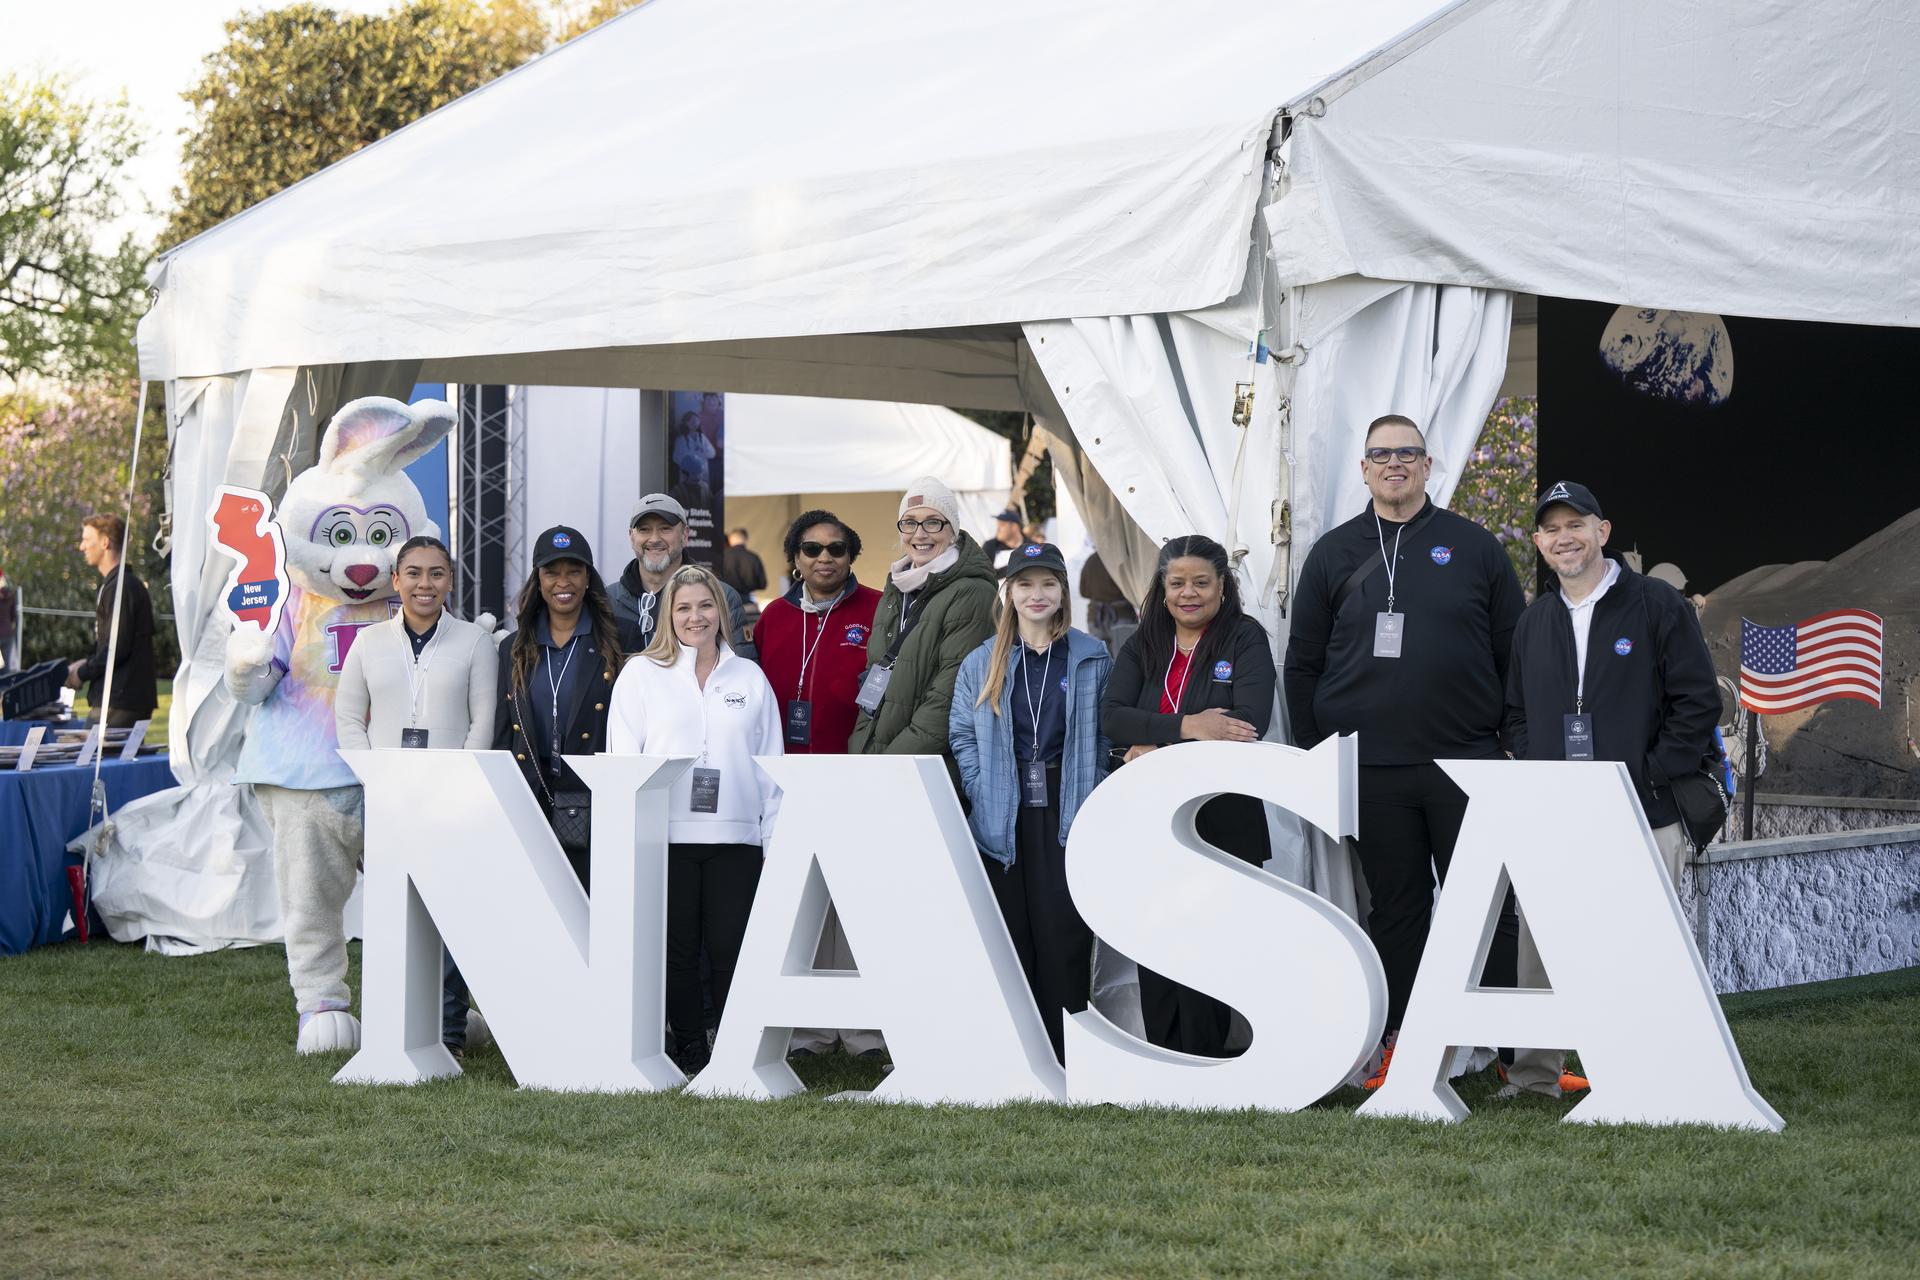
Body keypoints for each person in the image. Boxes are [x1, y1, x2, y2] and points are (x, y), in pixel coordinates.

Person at [1281, 414, 1525, 1089]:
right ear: (1363, 469)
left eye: (1407, 454)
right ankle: (1403, 1047)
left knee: (1487, 906)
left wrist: (1509, 741)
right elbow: (1301, 664)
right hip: (1372, 767)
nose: (1394, 464)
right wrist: (1316, 752)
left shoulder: (1474, 548)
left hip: (1464, 760)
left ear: (1427, 465)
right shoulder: (1333, 553)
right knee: (1398, 908)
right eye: (1380, 454)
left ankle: (1512, 1058)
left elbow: (1515, 651)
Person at [1499, 481, 1722, 1098]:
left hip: (1644, 808)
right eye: (1552, 529)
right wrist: (1545, 768)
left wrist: (1650, 770)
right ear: (1540, 543)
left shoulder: (1656, 604)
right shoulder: (1534, 620)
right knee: (1541, 948)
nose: (1564, 537)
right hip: (1558, 813)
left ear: (1603, 531)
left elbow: (1697, 701)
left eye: (1578, 524)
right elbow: (1514, 712)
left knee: (1644, 946)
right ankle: (1535, 1076)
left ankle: (1646, 1069)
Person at [1100, 534, 1274, 1058]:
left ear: (1223, 585)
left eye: (1201, 582)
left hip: (1223, 817)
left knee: (1212, 936)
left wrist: (1154, 739)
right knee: (1158, 933)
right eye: (1177, 583)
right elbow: (1111, 716)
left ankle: (1208, 1051)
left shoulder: (1245, 639)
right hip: (1151, 818)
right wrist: (1192, 725)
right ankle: (1165, 1051)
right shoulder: (1142, 641)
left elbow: (1247, 722)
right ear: (1162, 587)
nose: (1188, 593)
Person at [608, 564, 782, 1073]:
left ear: (721, 611)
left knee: (731, 948)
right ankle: (689, 1047)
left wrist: (772, 838)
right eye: (683, 607)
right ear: (668, 614)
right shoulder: (641, 673)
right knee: (678, 952)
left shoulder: (749, 677)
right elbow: (624, 759)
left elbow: (770, 763)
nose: (695, 616)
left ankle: (732, 1047)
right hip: (666, 837)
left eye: (705, 605)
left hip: (738, 839)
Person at [334, 535, 498, 1058]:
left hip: (450, 801)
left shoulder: (474, 642)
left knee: (447, 916)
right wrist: (373, 776)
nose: (425, 584)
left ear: (450, 581)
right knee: (391, 911)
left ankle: (448, 1030)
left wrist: (458, 784)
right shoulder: (368, 642)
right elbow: (347, 718)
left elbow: (483, 722)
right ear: (396, 579)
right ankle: (393, 1023)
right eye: (414, 573)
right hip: (388, 800)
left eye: (436, 574)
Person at [951, 541, 1112, 1062]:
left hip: (1067, 811)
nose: (1036, 594)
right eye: (1025, 584)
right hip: (1005, 813)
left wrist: (1094, 787)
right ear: (1010, 593)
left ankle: (1068, 1053)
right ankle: (1017, 1055)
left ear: (1063, 591)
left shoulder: (1091, 656)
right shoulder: (983, 661)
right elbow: (962, 735)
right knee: (1011, 934)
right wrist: (980, 787)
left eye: (1047, 584)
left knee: (1063, 932)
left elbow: (1106, 735)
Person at [495, 525, 635, 892]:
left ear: (588, 577)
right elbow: (502, 731)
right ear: (537, 579)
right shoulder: (513, 647)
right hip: (531, 797)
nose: (563, 581)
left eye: (574, 570)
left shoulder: (622, 637)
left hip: (597, 799)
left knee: (592, 905)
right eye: (551, 571)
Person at [846, 478, 998, 790]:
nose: (920, 534)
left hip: (929, 771)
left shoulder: (971, 592)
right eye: (910, 523)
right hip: (883, 762)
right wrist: (863, 748)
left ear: (952, 529)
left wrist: (891, 765)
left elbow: (948, 699)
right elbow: (874, 676)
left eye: (933, 522)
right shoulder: (898, 585)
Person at [609, 493, 747, 650]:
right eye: (644, 529)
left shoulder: (722, 597)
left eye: (665, 529)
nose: (654, 539)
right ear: (632, 537)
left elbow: (741, 668)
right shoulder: (608, 600)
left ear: (685, 535)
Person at [66, 514, 157, 728]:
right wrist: (86, 663)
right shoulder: (118, 585)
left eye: (87, 540)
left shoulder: (121, 587)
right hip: (124, 697)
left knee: (89, 759)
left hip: (120, 698)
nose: (82, 547)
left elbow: (117, 647)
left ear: (105, 542)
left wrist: (82, 672)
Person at [719, 528, 768, 602]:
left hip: (726, 601)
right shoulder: (753, 557)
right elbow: (762, 584)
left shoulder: (722, 556)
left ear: (730, 539)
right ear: (745, 539)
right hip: (747, 601)